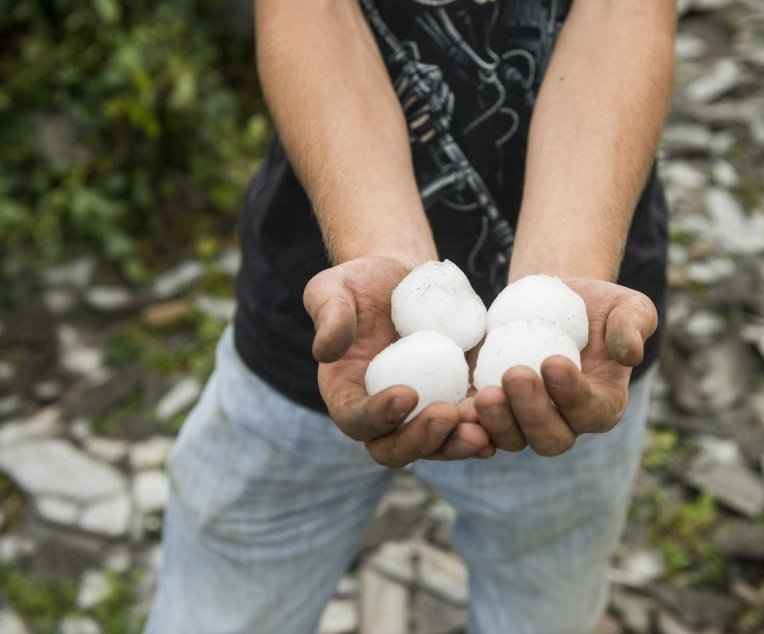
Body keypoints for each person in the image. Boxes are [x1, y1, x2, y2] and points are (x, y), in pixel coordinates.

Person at [145, 0, 674, 632]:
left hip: (574, 361)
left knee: (545, 606)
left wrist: (561, 281)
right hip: (325, 329)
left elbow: (620, 13)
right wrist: (381, 255)